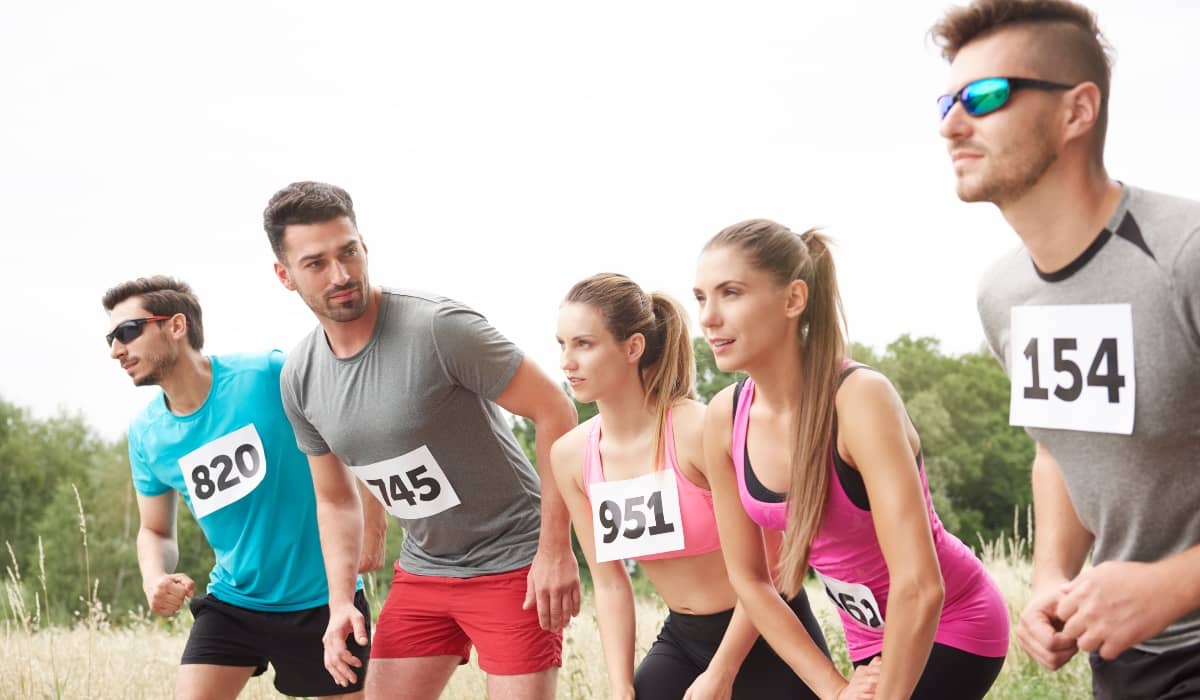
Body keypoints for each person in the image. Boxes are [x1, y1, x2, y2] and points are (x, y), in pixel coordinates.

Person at [931, 1, 1200, 696]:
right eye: (948, 100)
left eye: (986, 96)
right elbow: (1057, 448)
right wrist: (1052, 577)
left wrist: (1175, 583)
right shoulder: (1003, 295)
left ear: (1077, 111)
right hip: (1127, 660)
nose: (952, 124)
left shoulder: (1186, 257)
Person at [262, 181, 580, 699]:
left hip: (513, 564)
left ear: (364, 246)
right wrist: (341, 601)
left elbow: (556, 410)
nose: (341, 275)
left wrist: (554, 550)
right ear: (285, 275)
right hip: (426, 571)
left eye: (348, 253)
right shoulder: (299, 376)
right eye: (316, 263)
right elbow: (334, 497)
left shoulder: (439, 327)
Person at [694, 220, 1010, 700]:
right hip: (868, 637)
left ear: (793, 299)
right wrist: (833, 688)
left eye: (730, 293)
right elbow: (751, 580)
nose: (708, 318)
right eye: (700, 298)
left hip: (951, 619)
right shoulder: (723, 418)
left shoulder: (860, 399)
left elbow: (921, 585)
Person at [551, 273, 855, 700]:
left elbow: (777, 561)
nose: (567, 361)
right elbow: (611, 583)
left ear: (632, 348)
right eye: (561, 344)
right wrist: (620, 686)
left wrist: (722, 671)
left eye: (583, 344)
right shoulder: (570, 456)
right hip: (681, 640)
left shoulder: (700, 429)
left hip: (766, 632)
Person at [102, 275, 371, 699]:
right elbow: (154, 530)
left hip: (323, 601)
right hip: (234, 601)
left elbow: (354, 430)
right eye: (111, 338)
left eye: (128, 332)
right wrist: (154, 577)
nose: (117, 350)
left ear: (176, 326)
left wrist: (372, 526)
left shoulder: (267, 373)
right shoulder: (147, 435)